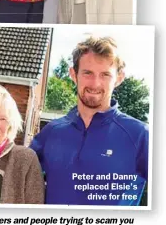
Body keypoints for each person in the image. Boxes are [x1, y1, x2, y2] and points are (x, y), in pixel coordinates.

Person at [31, 37, 149, 206]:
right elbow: (17, 173)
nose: (95, 83)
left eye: (105, 75)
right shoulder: (51, 131)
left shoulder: (140, 135)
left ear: (119, 78)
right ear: (73, 74)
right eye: (88, 73)